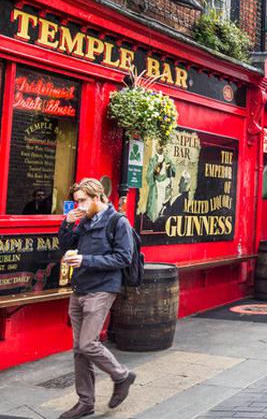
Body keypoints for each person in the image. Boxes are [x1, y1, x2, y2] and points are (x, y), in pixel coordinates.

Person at [57, 178, 137, 419]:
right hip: (80, 288)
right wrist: (66, 225)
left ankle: (122, 375)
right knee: (79, 350)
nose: (78, 205)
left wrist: (85, 261)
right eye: (75, 201)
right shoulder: (85, 220)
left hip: (102, 289)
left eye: (82, 200)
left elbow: (123, 258)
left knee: (87, 344)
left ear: (99, 197)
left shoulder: (118, 222)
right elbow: (65, 246)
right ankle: (85, 402)